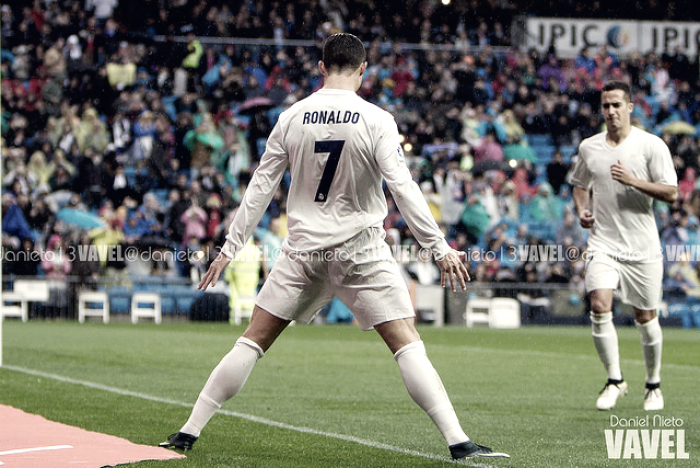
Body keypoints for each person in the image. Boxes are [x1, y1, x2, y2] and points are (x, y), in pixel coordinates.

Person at [160, 34, 508, 460]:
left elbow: (260, 188)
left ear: (321, 67)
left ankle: (188, 431)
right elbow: (403, 187)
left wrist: (230, 247)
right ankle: (459, 442)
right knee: (405, 343)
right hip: (361, 249)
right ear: (364, 70)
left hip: (304, 250)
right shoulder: (377, 119)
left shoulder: (291, 116)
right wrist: (439, 248)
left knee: (253, 340)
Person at [568, 80, 678, 411]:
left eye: (617, 104)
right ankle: (615, 380)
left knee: (646, 317)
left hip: (643, 245)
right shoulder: (590, 147)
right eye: (606, 105)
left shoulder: (651, 145)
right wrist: (582, 211)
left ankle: (653, 385)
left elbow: (671, 193)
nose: (611, 111)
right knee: (599, 305)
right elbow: (579, 184)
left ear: (630, 107)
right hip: (604, 242)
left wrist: (633, 181)